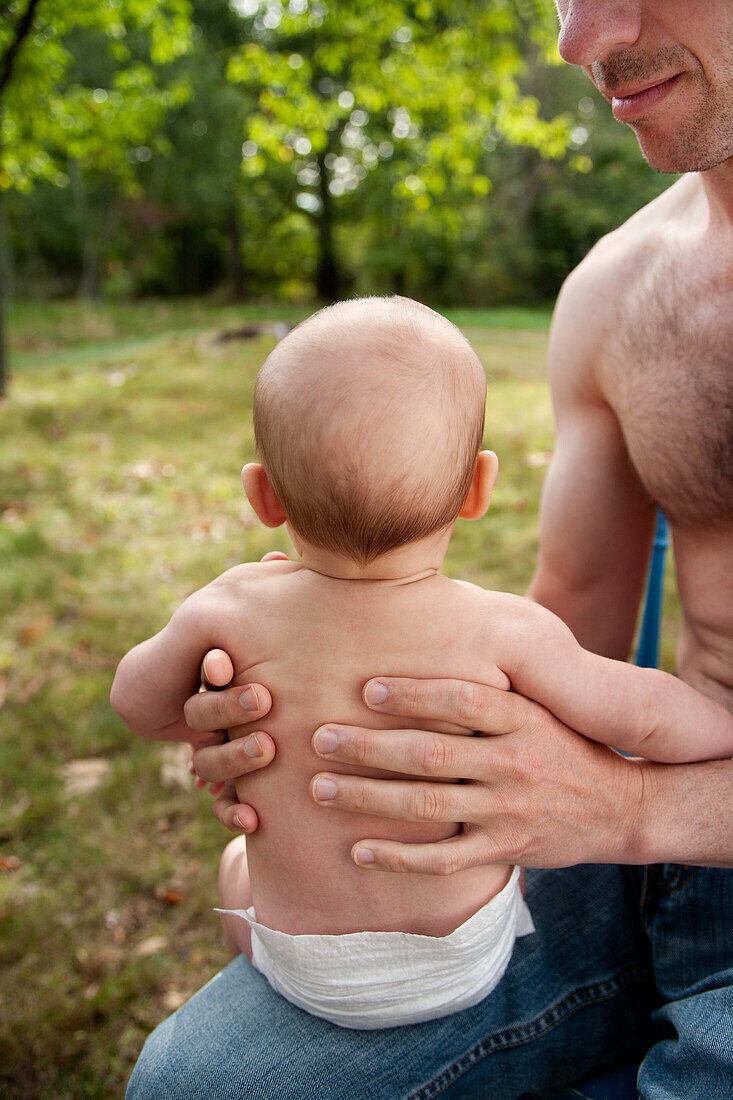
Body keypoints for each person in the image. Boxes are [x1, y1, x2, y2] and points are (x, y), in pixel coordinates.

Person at [126, 2, 733, 1096]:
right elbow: (574, 625)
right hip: (638, 842)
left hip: (656, 813)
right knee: (190, 1083)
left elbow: (131, 693)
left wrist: (638, 806)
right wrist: (332, 728)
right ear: (476, 489)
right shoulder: (615, 289)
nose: (579, 38)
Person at [112, 296, 731, 1033]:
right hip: (466, 958)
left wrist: (213, 732)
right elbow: (647, 715)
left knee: (233, 864)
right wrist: (719, 731)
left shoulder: (230, 608)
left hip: (303, 964)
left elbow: (136, 703)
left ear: (263, 496)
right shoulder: (503, 628)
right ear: (478, 487)